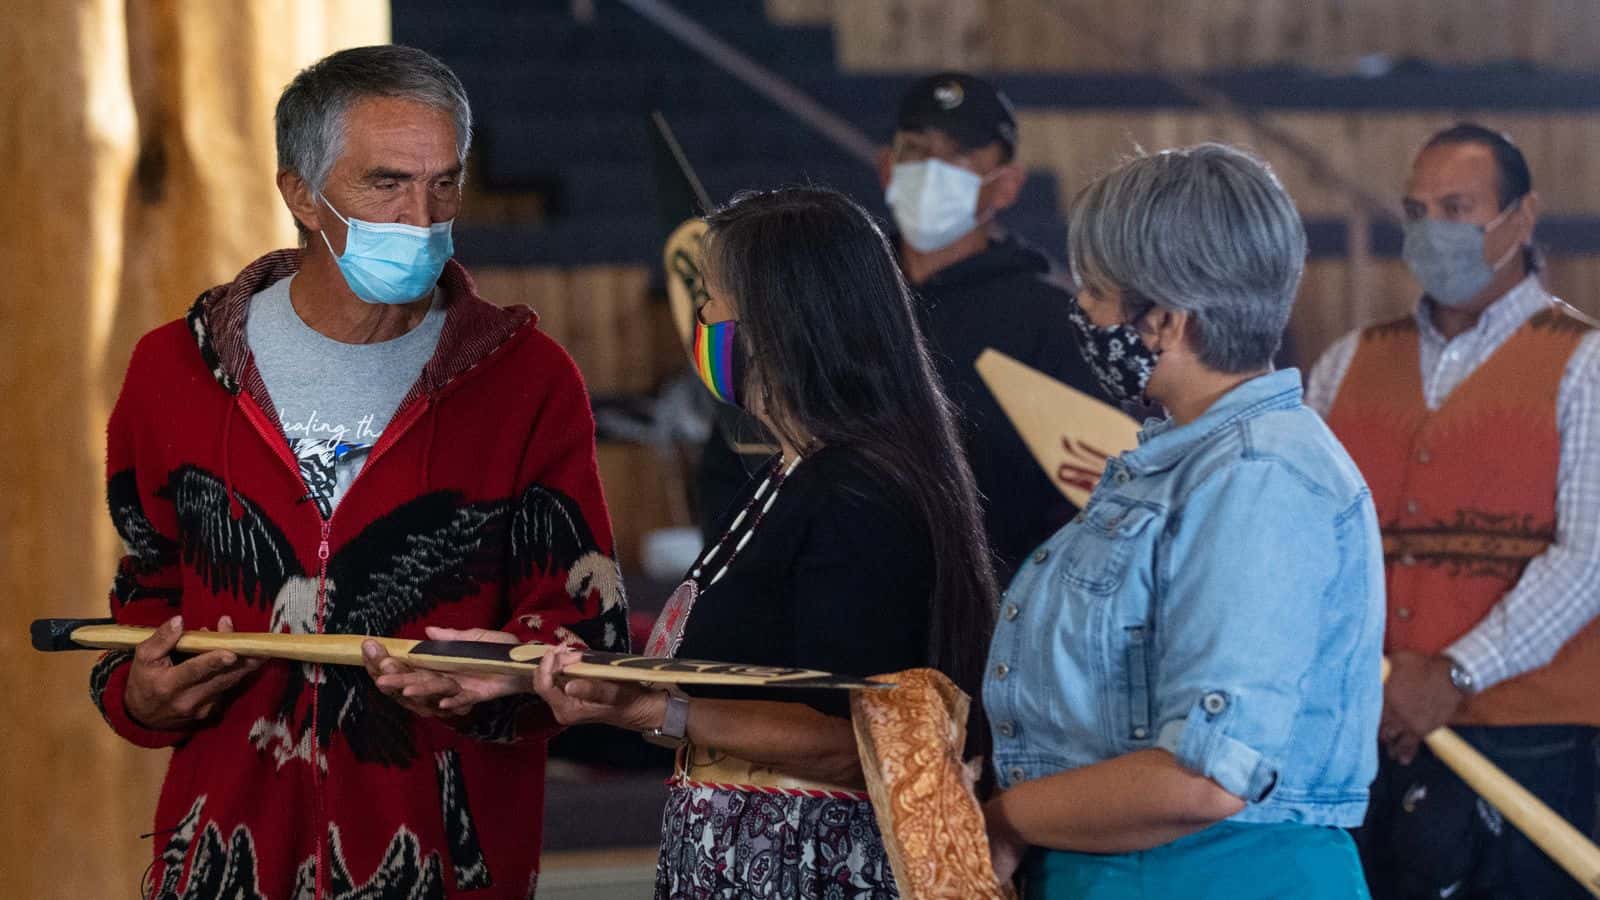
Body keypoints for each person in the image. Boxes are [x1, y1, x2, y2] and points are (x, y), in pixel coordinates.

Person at [92, 45, 626, 897]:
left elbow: (589, 632)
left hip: (446, 867)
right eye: (386, 184)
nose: (422, 217)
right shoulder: (172, 372)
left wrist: (507, 677)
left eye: (444, 183)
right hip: (225, 861)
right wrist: (139, 695)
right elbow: (143, 598)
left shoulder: (529, 379)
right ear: (300, 194)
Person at [428, 186, 1000, 899]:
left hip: (810, 868)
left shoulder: (857, 492)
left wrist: (651, 708)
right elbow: (718, 698)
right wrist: (522, 676)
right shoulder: (788, 475)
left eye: (713, 297)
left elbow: (854, 736)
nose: (699, 319)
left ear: (784, 318)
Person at [981, 144, 1385, 899]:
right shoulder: (1190, 460)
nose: (1082, 313)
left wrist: (1007, 819)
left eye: (1095, 292)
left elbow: (1205, 777)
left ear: (1163, 321)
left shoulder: (1258, 477)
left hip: (1215, 876)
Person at [1307, 123, 1600, 900]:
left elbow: (1588, 561)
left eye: (1457, 206)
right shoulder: (1344, 364)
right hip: (1365, 738)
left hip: (1529, 742)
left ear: (1522, 218)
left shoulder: (1586, 362)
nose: (1431, 229)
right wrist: (1380, 682)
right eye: (1416, 208)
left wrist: (1456, 672)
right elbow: (1310, 545)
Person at [880, 71, 1107, 583]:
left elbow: (1092, 482)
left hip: (996, 604)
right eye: (916, 149)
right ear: (887, 169)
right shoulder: (846, 294)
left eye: (957, 154)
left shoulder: (1053, 320)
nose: (932, 169)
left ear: (1006, 184)